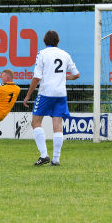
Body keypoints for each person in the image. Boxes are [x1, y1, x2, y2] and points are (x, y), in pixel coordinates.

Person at [23, 30, 80, 166]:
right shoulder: (65, 54)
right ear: (57, 41)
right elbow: (76, 74)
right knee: (57, 126)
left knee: (36, 122)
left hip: (46, 92)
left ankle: (44, 155)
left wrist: (28, 95)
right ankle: (56, 159)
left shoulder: (42, 54)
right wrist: (63, 77)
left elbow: (37, 77)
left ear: (45, 41)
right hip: (61, 94)